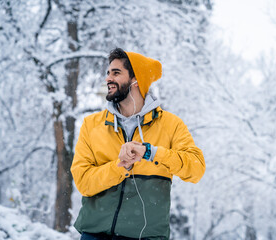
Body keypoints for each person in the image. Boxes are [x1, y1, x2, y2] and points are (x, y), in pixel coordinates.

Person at [71, 48, 205, 240]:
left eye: (116, 73)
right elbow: (83, 183)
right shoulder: (92, 125)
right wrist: (120, 166)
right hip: (95, 235)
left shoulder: (170, 125)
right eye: (108, 73)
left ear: (135, 80)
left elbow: (196, 169)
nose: (108, 78)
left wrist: (151, 152)